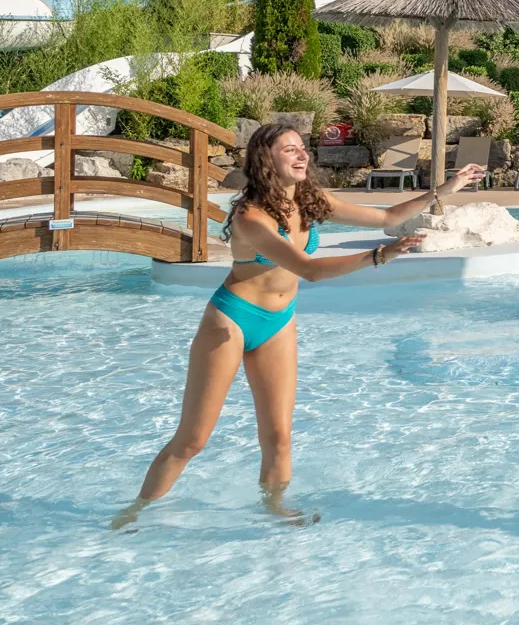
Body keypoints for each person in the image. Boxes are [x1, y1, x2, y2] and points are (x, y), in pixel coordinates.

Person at [112, 122, 485, 527]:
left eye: (302, 147)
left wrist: (445, 190)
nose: (301, 154)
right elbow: (307, 269)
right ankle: (133, 514)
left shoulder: (310, 200)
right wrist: (379, 257)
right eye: (289, 150)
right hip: (232, 320)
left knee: (279, 438)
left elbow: (388, 216)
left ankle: (275, 512)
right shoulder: (250, 216)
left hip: (278, 321)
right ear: (265, 159)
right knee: (192, 440)